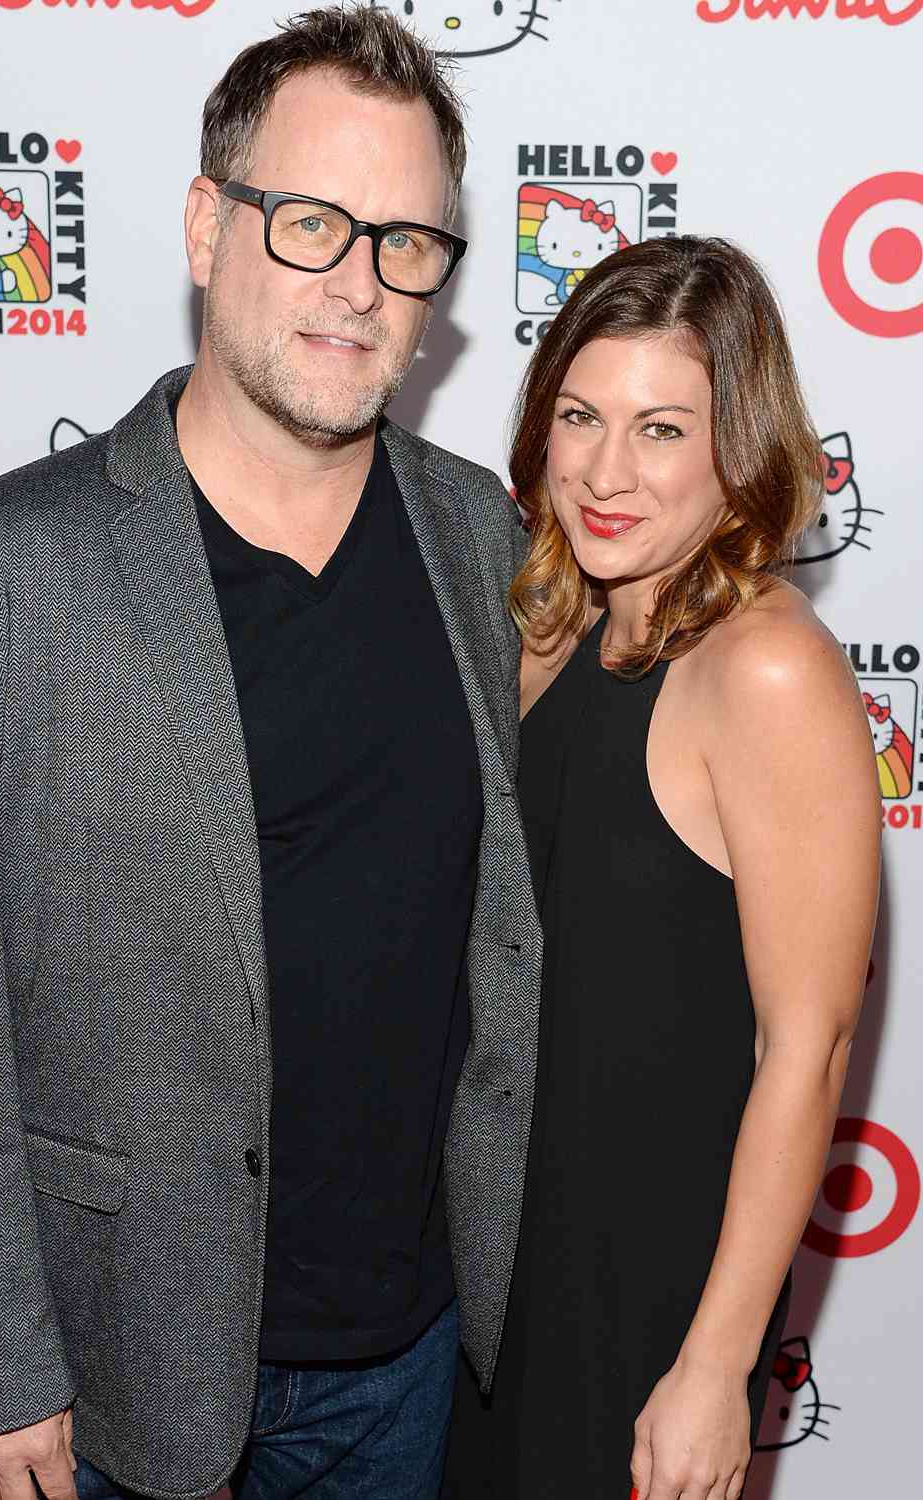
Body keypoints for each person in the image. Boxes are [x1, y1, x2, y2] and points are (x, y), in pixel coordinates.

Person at [0, 9, 541, 1500]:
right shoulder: (0, 571)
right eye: (313, 222)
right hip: (109, 1371)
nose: (361, 285)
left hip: (416, 1354)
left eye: (408, 242)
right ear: (208, 226)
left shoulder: (484, 537)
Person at [443, 236, 881, 1500]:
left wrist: (712, 1368)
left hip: (641, 1301)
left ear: (735, 449)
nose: (603, 471)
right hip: (490, 1278)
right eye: (580, 416)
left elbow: (808, 1046)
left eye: (661, 429)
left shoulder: (767, 667)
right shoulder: (550, 624)